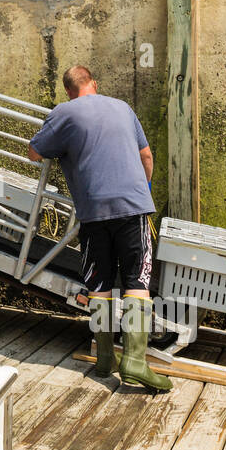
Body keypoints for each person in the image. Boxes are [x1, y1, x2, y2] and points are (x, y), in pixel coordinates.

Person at [28, 65, 169, 392]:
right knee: (137, 280)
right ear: (94, 84)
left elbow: (35, 152)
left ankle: (105, 358)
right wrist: (142, 190)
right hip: (133, 208)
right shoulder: (122, 107)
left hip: (93, 212)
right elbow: (146, 156)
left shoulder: (63, 113)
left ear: (68, 91)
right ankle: (134, 360)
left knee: (100, 283)